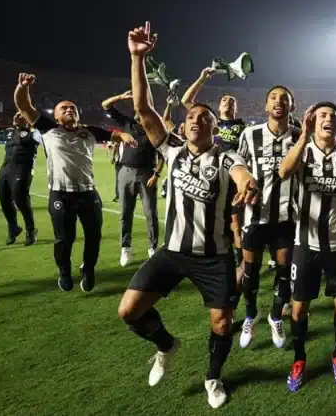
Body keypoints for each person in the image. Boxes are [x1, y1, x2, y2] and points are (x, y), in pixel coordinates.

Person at [118, 22, 258, 408]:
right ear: (182, 126)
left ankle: (213, 377)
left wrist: (246, 182)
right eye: (192, 117)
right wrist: (137, 57)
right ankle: (166, 345)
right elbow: (143, 109)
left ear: (215, 128)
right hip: (172, 251)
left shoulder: (227, 155)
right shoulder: (171, 150)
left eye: (205, 118)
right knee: (129, 311)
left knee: (222, 323)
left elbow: (241, 172)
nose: (197, 120)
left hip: (213, 257)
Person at [278, 101, 336, 392]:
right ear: (312, 121)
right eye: (322, 116)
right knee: (298, 307)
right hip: (305, 244)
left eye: (332, 115)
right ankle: (299, 359)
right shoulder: (300, 150)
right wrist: (303, 136)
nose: (328, 119)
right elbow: (283, 172)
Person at [14, 73, 137, 292]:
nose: (69, 110)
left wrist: (123, 136)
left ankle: (88, 269)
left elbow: (113, 134)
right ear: (57, 116)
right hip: (61, 195)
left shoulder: (88, 131)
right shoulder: (48, 129)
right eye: (64, 108)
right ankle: (64, 270)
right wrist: (23, 87)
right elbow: (24, 105)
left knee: (94, 237)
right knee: (64, 239)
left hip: (88, 193)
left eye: (73, 107)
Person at [235, 85, 301, 349]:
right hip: (254, 217)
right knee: (250, 272)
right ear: (265, 106)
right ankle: (251, 314)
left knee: (284, 273)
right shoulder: (250, 135)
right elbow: (237, 165)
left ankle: (275, 316)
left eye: (284, 98)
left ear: (291, 107)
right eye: (273, 97)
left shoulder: (299, 137)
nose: (279, 101)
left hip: (286, 217)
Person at [181, 69, 248, 266]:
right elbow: (186, 101)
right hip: (208, 179)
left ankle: (242, 264)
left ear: (236, 108)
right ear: (218, 107)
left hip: (232, 181)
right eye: (225, 100)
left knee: (236, 225)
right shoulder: (209, 122)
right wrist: (202, 78)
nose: (228, 102)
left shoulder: (243, 127)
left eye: (232, 101)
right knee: (211, 221)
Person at [102, 91, 163, 266]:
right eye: (139, 110)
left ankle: (152, 248)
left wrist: (157, 174)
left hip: (147, 173)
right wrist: (120, 97)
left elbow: (163, 156)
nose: (140, 112)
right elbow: (106, 105)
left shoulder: (155, 130)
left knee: (151, 213)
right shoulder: (127, 124)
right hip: (125, 172)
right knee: (125, 213)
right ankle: (125, 249)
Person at [0, 112, 41, 245]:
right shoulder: (10, 132)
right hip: (5, 170)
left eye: (20, 115)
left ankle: (31, 229)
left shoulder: (34, 133)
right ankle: (13, 228)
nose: (16, 117)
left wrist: (32, 125)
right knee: (5, 201)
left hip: (22, 171)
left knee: (20, 200)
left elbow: (41, 139)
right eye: (15, 115)